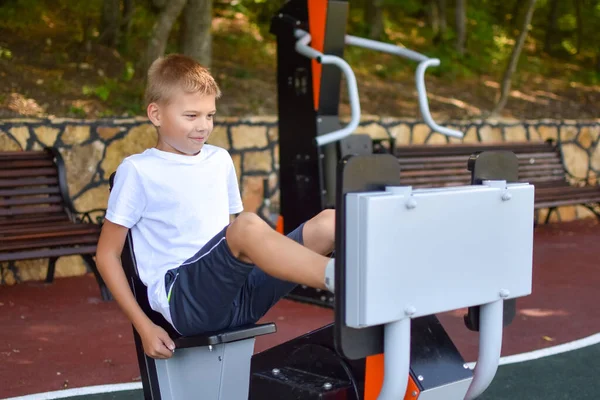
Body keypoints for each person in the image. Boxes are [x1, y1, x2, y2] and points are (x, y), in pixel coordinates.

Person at [96, 54, 336, 360]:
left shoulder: (218, 159)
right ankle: (342, 280)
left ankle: (392, 274)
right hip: (185, 303)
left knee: (330, 223)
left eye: (210, 116)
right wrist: (145, 326)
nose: (203, 126)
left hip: (236, 295)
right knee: (246, 226)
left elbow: (225, 244)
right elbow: (106, 255)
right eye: (191, 116)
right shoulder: (138, 170)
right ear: (155, 114)